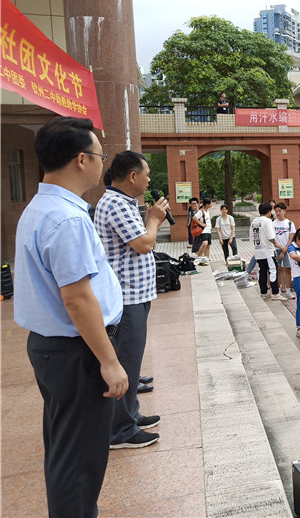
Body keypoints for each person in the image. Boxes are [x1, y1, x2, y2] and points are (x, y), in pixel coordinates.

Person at [14, 117, 128, 517]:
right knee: (79, 460)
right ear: (82, 159)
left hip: (56, 349)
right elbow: (77, 299)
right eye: (100, 155)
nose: (102, 163)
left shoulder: (42, 207)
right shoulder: (67, 219)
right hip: (76, 351)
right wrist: (110, 361)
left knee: (68, 449)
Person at [94, 151, 168, 450]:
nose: (149, 179)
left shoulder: (122, 202)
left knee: (132, 360)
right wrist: (154, 219)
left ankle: (131, 415)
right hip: (125, 298)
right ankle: (120, 431)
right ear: (132, 176)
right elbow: (143, 244)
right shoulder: (115, 204)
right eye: (146, 174)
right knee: (125, 360)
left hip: (134, 295)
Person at [251, 202, 286, 301]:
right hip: (268, 251)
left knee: (262, 272)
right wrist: (279, 245)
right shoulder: (267, 221)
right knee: (273, 271)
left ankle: (264, 292)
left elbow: (251, 238)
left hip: (258, 251)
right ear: (269, 211)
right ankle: (275, 293)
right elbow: (271, 238)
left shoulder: (254, 221)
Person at [272, 202, 296, 299]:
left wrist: (284, 250)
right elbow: (272, 239)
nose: (278, 213)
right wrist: (281, 249)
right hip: (276, 249)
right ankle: (279, 290)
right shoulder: (272, 224)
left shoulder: (290, 223)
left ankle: (288, 290)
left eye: (280, 211)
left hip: (287, 249)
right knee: (278, 270)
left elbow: (291, 238)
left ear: (284, 211)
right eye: (276, 211)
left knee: (287, 269)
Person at [191, 198, 212, 263]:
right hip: (203, 231)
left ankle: (206, 260)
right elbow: (194, 218)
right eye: (210, 203)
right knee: (204, 243)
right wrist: (201, 224)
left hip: (208, 231)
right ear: (207, 204)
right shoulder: (201, 211)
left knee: (208, 246)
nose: (211, 205)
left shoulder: (207, 211)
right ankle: (200, 255)